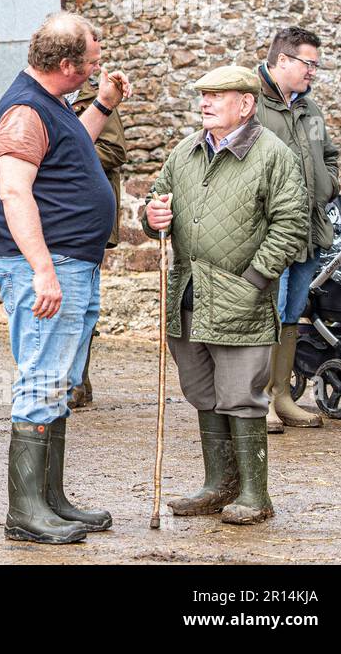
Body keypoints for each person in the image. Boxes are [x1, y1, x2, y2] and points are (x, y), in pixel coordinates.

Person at [0, 11, 130, 544]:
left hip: (74, 262)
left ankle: (51, 499)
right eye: (91, 66)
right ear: (66, 64)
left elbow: (69, 146)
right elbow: (15, 193)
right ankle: (25, 512)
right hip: (48, 265)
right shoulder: (24, 112)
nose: (95, 72)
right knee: (41, 380)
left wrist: (104, 105)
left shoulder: (52, 105)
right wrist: (43, 269)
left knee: (59, 383)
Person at [143, 66, 307, 526]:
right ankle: (219, 485)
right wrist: (151, 214)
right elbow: (157, 203)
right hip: (188, 296)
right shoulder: (184, 151)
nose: (205, 102)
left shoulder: (273, 155)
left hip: (242, 298)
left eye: (217, 95)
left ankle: (256, 494)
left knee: (241, 395)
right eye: (203, 95)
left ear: (246, 104)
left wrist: (255, 281)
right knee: (202, 393)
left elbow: (290, 224)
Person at [255, 27, 338, 432]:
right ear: (283, 60)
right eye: (309, 64)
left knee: (291, 313)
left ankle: (281, 395)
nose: (313, 73)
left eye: (316, 66)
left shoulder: (310, 110)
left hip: (310, 229)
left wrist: (330, 184)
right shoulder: (249, 103)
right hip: (270, 232)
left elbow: (330, 155)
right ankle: (259, 403)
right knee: (267, 311)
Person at [66, 80, 127, 408]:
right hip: (66, 213)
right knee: (77, 301)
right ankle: (77, 381)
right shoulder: (47, 96)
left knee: (83, 303)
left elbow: (116, 150)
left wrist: (66, 152)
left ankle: (73, 383)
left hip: (89, 213)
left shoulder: (95, 97)